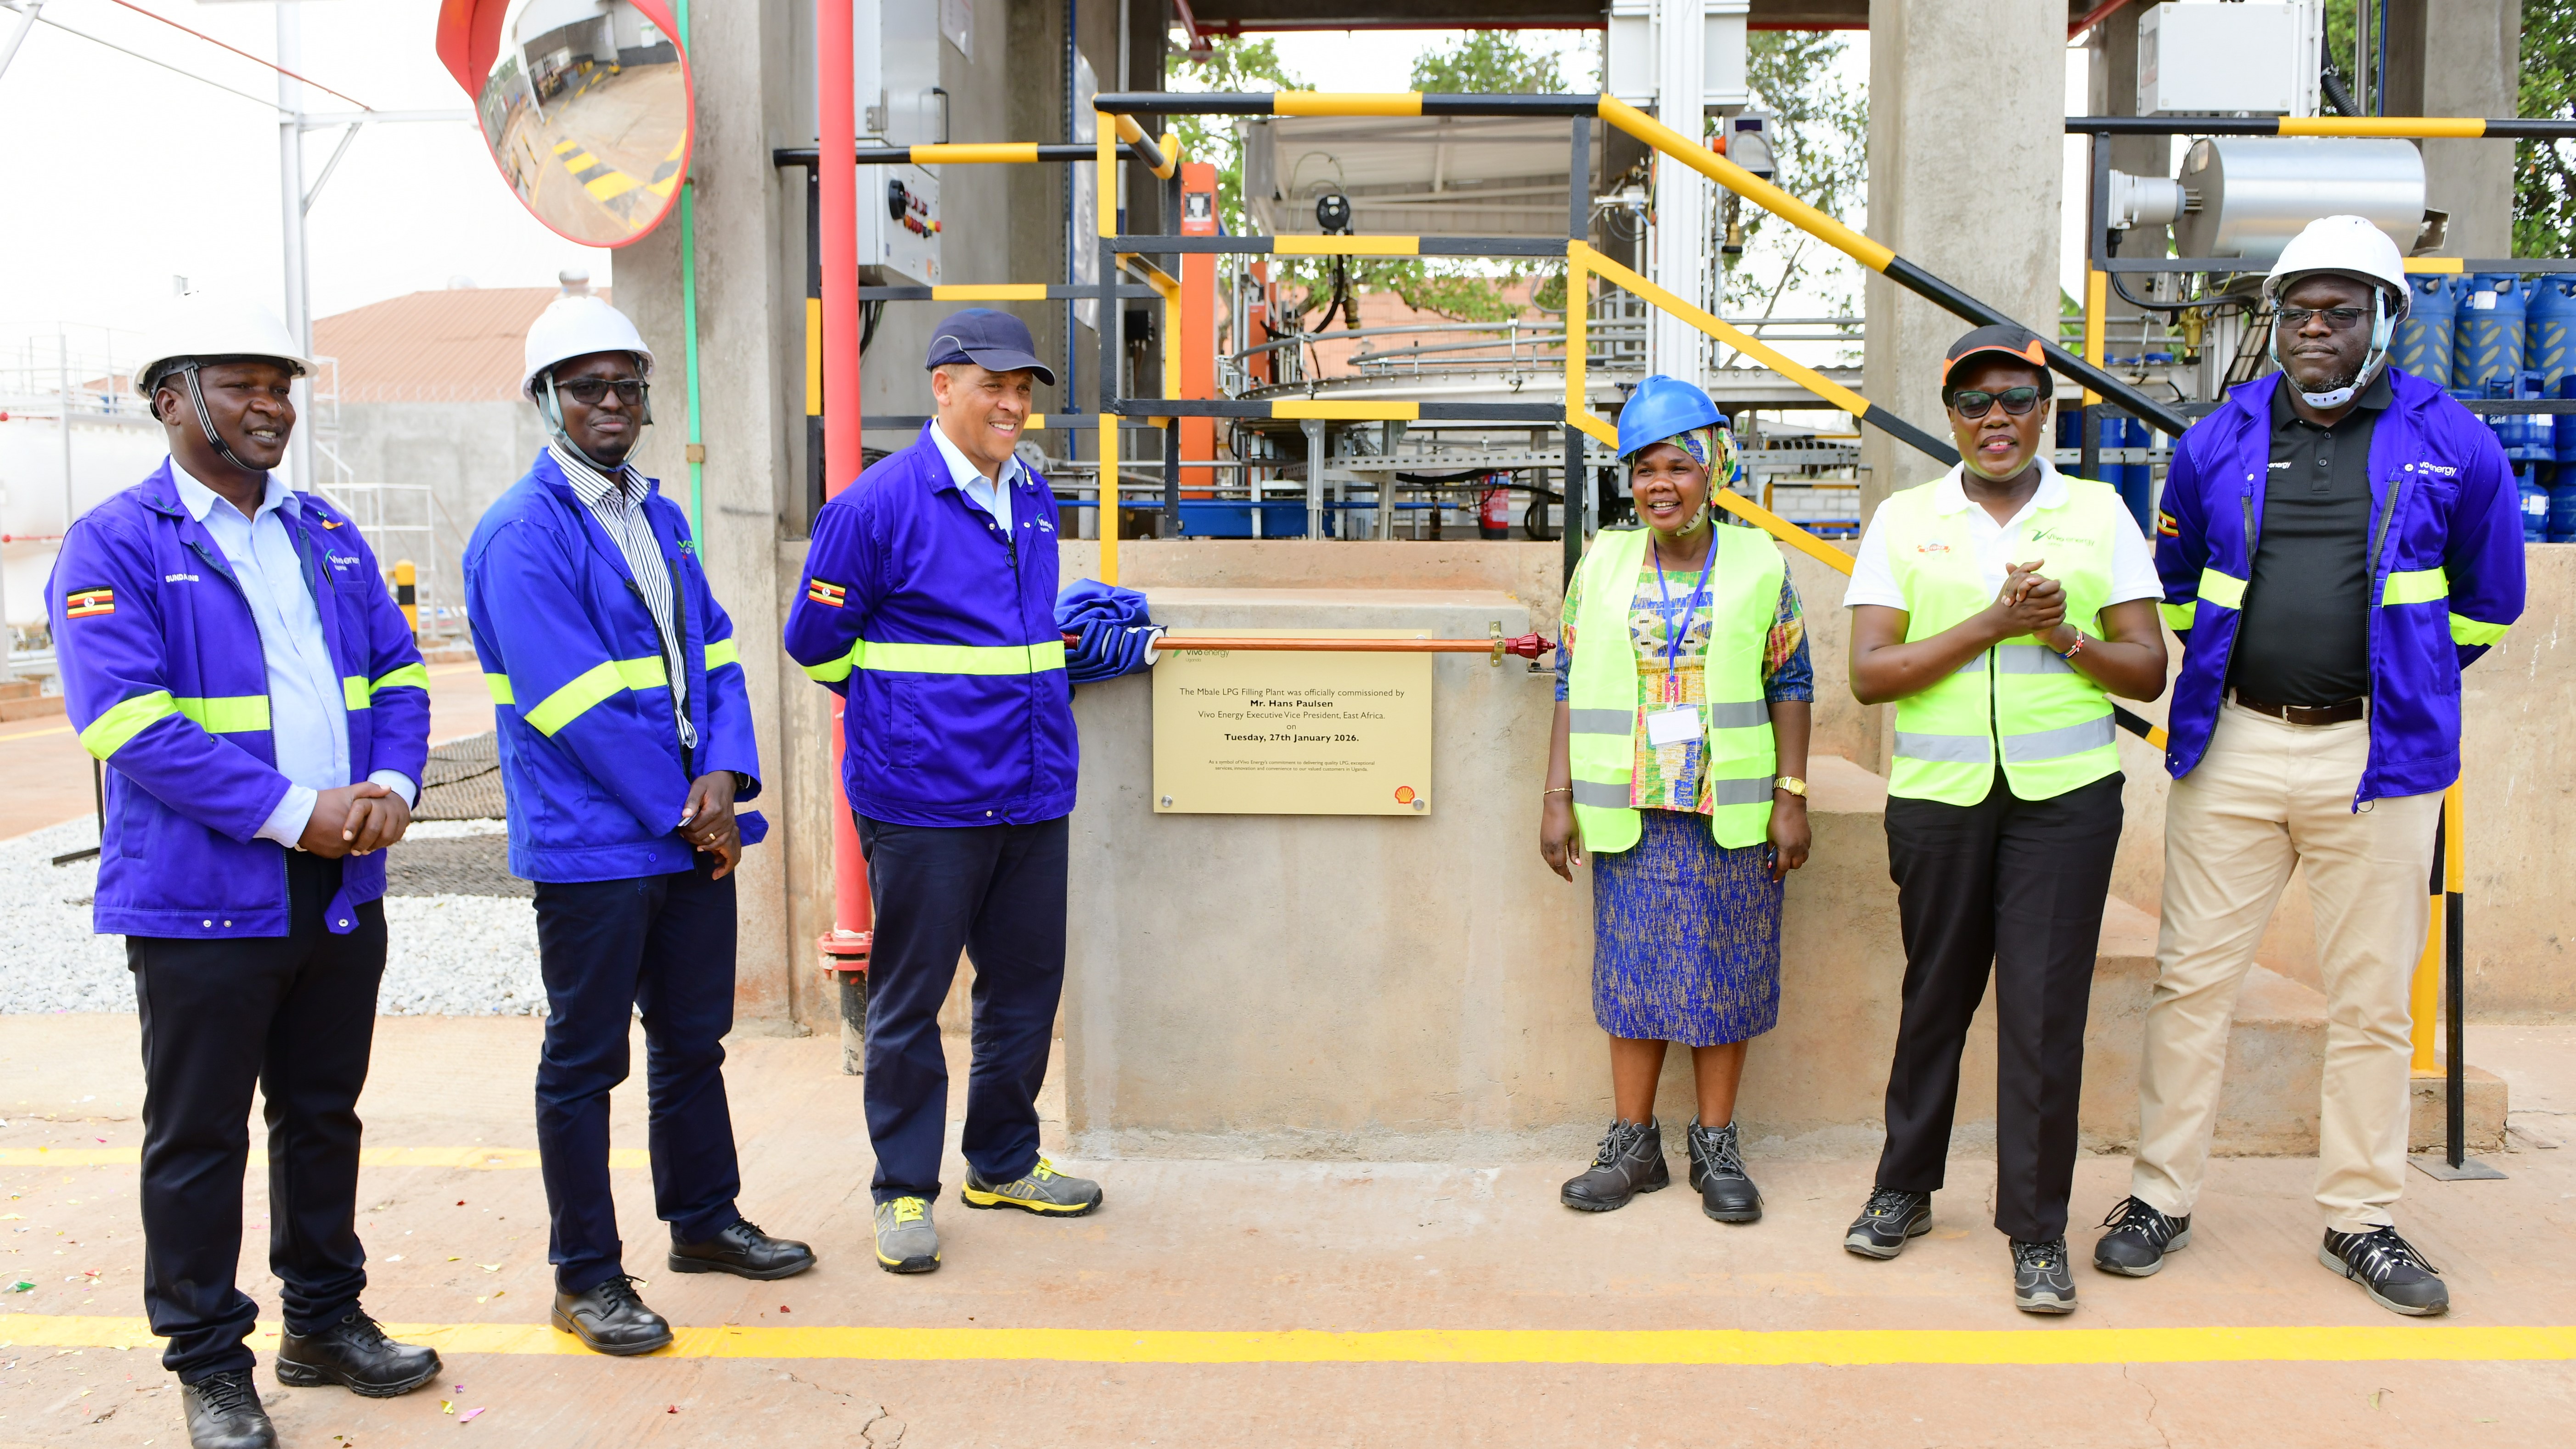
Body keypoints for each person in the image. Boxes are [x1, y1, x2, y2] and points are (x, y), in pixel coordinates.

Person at [2095, 216, 2524, 1316]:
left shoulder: (2457, 441)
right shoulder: (2218, 438)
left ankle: (2361, 1219)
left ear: (2387, 320)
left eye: (2338, 310)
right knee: (2193, 982)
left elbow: (2490, 603)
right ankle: (2159, 1196)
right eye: (2297, 310)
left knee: (2373, 1001)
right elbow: (2181, 581)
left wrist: (2408, 674)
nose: (2312, 329)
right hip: (2233, 748)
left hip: (2378, 760)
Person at [50, 291, 439, 1449]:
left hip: (337, 887)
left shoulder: (323, 532)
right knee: (200, 1134)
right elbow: (130, 725)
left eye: (282, 388)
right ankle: (210, 1363)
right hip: (199, 902)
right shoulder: (117, 542)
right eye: (242, 387)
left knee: (323, 1115)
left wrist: (394, 793)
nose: (272, 408)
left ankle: (322, 1320)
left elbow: (401, 678)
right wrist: (294, 815)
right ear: (170, 400)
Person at [464, 296, 813, 1358]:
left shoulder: (657, 517)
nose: (611, 402)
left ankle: (703, 1222)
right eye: (586, 387)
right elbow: (570, 703)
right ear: (545, 402)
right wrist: (686, 805)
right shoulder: (523, 534)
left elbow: (715, 651)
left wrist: (727, 772)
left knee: (693, 1044)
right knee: (584, 1063)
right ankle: (585, 1276)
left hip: (684, 828)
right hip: (594, 845)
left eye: (626, 384)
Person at [1839, 323, 2170, 1314]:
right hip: (1940, 803)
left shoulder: (2099, 514)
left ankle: (2036, 1231)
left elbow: (2147, 669)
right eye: (1976, 402)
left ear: (2045, 413)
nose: (1996, 420)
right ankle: (1903, 1188)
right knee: (1934, 996)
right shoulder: (1906, 519)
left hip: (2063, 808)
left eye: (2017, 401)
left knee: (2041, 1019)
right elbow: (1868, 675)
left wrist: (2064, 631)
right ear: (1950, 416)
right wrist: (1992, 622)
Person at [783, 308, 1099, 1275]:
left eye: (1022, 390)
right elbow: (815, 644)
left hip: (1034, 789)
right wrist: (909, 720)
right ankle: (903, 1190)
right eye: (994, 386)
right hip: (925, 801)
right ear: (941, 387)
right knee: (911, 998)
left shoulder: (1033, 495)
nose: (1012, 404)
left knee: (1025, 989)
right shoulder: (876, 508)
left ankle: (1002, 1159)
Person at [1541, 375, 1813, 1224]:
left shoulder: (1761, 561)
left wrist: (1791, 794)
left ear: (1713, 469)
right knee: (1630, 976)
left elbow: (1792, 679)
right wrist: (1556, 795)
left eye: (1678, 467)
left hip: (1727, 807)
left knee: (1726, 975)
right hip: (1626, 805)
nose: (1659, 485)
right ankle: (1632, 1145)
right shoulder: (1604, 559)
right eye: (1642, 470)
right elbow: (1568, 678)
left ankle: (1715, 1144)